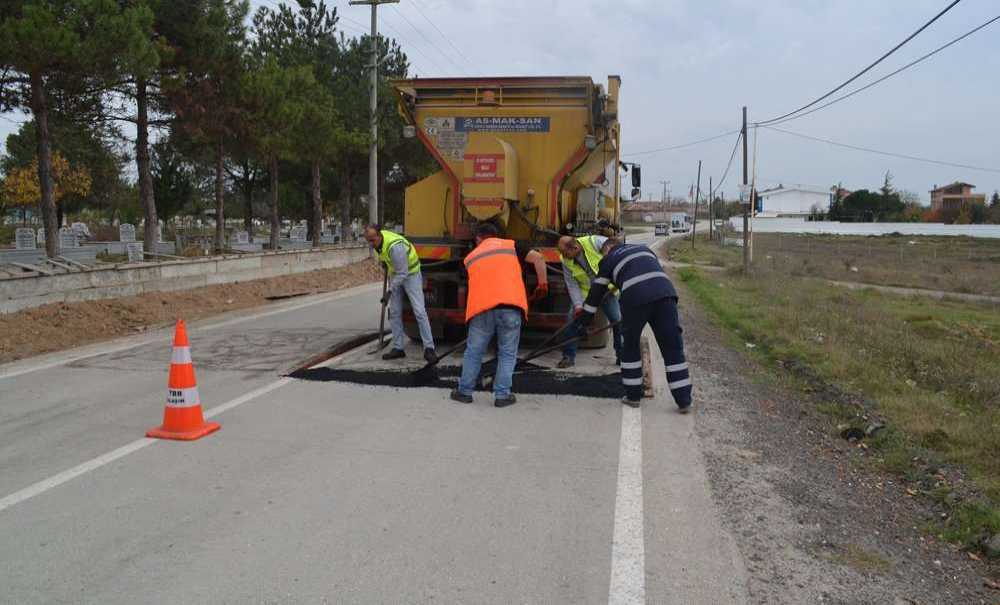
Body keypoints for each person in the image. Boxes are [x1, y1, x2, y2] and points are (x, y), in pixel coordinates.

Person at [576, 238, 692, 412]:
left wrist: (583, 322)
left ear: (608, 248)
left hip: (635, 298)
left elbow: (595, 294)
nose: (603, 256)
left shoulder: (608, 259)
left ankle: (633, 397)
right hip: (665, 295)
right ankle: (684, 401)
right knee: (672, 347)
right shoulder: (644, 249)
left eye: (603, 253)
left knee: (630, 347)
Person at [450, 223, 549, 408]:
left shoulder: (470, 257)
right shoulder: (511, 246)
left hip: (481, 309)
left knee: (474, 352)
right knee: (507, 353)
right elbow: (539, 258)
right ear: (497, 235)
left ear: (478, 239)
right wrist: (542, 284)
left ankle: (464, 392)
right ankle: (502, 396)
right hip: (510, 307)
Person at [363, 225, 436, 363]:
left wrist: (389, 291)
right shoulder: (378, 243)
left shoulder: (395, 247)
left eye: (372, 240)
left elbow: (403, 273)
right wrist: (385, 263)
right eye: (368, 241)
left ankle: (429, 348)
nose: (371, 244)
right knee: (395, 312)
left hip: (411, 274)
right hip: (395, 275)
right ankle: (398, 348)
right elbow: (388, 260)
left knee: (419, 311)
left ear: (379, 235)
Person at [555, 234, 623, 368]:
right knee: (572, 321)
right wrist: (578, 305)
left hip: (606, 291)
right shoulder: (565, 260)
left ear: (575, 247)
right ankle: (568, 356)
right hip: (586, 293)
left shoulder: (595, 242)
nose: (563, 256)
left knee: (617, 320)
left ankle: (622, 356)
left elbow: (619, 253)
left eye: (565, 253)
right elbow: (572, 284)